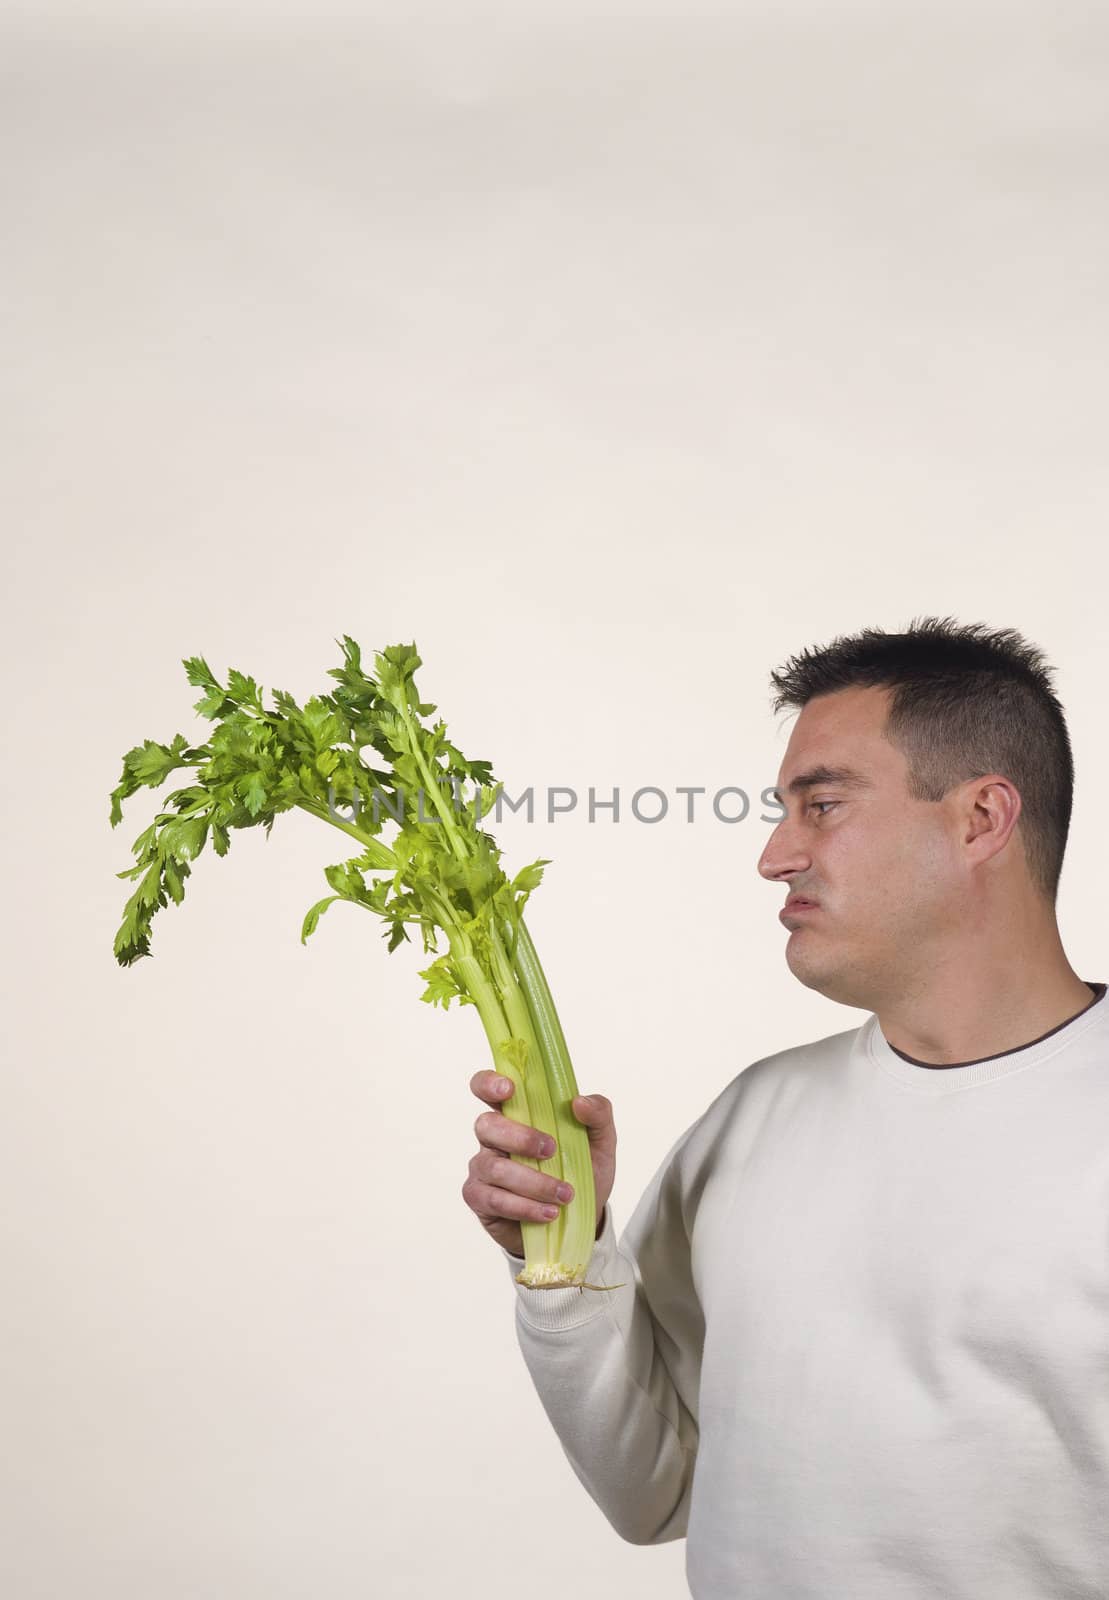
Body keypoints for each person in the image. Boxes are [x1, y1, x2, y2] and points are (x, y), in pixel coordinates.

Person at [460, 615, 1109, 1599]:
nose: (773, 854)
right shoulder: (754, 1119)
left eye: (822, 805)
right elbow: (653, 1490)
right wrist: (562, 1261)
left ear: (979, 818)